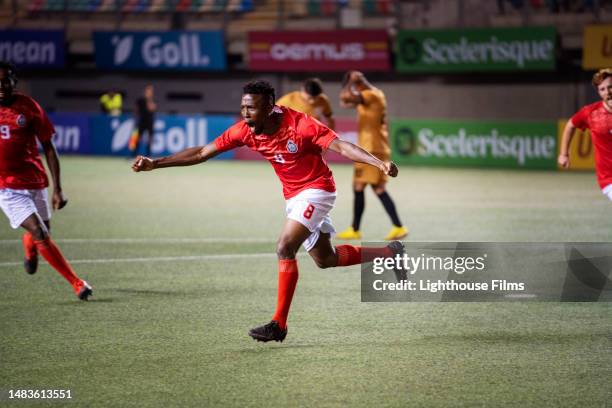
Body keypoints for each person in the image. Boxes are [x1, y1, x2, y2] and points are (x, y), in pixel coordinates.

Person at [132, 80, 405, 342]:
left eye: (252, 108)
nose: (246, 114)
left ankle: (279, 325)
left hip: (317, 190)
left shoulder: (301, 125)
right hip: (294, 197)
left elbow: (342, 146)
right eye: (243, 107)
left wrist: (377, 163)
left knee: (284, 247)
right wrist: (156, 163)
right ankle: (389, 254)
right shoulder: (244, 131)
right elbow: (202, 153)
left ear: (270, 106)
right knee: (325, 259)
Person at [0, 61, 92, 300]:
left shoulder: (28, 107)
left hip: (35, 181)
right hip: (7, 188)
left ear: (13, 82)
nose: (1, 86)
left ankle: (29, 246)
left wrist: (58, 189)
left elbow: (49, 148)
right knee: (40, 231)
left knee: (44, 231)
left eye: (5, 81)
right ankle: (77, 283)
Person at [336, 70, 408, 241]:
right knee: (370, 188)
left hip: (372, 148)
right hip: (377, 147)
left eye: (355, 84)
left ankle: (360, 229)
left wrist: (349, 82)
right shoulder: (374, 94)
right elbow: (344, 101)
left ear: (359, 83)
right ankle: (394, 227)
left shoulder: (370, 95)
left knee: (365, 187)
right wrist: (351, 83)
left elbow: (346, 96)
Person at [559, 68, 612, 200]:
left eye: (611, 87)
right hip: (609, 179)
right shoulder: (591, 113)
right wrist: (564, 154)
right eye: (603, 89)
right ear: (599, 92)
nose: (608, 92)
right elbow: (570, 125)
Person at [129, 84, 157, 157]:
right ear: (145, 91)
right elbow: (136, 109)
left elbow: (151, 108)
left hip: (149, 122)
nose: (150, 92)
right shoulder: (140, 100)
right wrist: (136, 118)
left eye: (151, 91)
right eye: (148, 90)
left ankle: (148, 155)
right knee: (136, 138)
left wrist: (149, 99)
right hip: (141, 122)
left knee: (149, 139)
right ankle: (133, 154)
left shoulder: (152, 100)